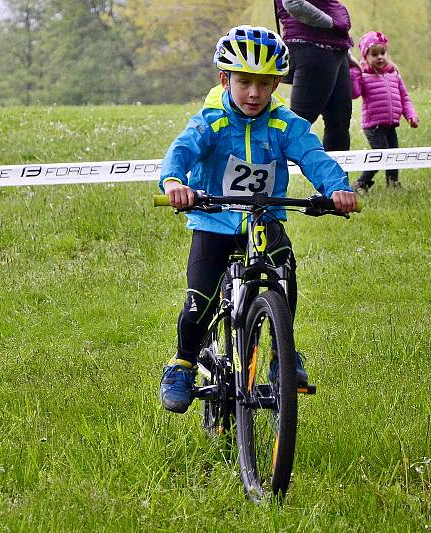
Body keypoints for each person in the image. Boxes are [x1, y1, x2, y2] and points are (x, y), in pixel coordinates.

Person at [157, 25, 358, 414]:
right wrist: (174, 182)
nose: (254, 93)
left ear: (276, 85)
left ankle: (283, 354)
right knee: (200, 298)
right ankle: (181, 363)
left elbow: (314, 156)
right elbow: (181, 150)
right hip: (213, 222)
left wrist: (338, 188)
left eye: (265, 84)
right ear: (224, 79)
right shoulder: (212, 119)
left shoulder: (284, 123)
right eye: (245, 82)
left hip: (263, 219)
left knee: (283, 267)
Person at [274, 0, 355, 152]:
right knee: (297, 124)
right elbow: (293, 3)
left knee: (339, 122)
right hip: (310, 46)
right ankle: (260, 169)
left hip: (335, 49)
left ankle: (336, 176)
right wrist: (333, 23)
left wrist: (346, 52)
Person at [349, 31, 419, 191]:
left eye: (383, 53)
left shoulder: (393, 74)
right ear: (366, 57)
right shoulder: (364, 75)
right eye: (374, 54)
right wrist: (354, 75)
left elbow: (404, 98)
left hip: (391, 124)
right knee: (381, 154)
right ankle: (362, 183)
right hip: (373, 125)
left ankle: (393, 183)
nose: (380, 57)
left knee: (393, 154)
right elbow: (354, 94)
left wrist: (411, 115)